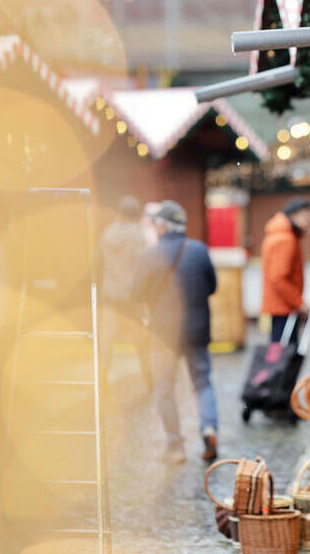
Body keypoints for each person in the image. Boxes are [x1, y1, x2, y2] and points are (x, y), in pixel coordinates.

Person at [133, 200, 221, 463]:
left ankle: (175, 447)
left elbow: (135, 293)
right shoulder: (198, 250)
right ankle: (209, 428)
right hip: (197, 330)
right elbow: (212, 286)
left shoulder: (149, 256)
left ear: (162, 225)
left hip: (163, 334)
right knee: (202, 383)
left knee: (164, 389)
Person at [96, 195, 148, 383]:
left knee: (107, 338)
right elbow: (143, 266)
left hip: (110, 294)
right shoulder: (136, 235)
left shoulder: (108, 232)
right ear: (136, 214)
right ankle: (149, 377)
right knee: (140, 337)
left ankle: (102, 374)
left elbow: (98, 263)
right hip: (131, 296)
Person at [261, 198, 310, 342]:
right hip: (284, 308)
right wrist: (299, 303)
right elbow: (278, 278)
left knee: (279, 354)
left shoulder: (280, 235)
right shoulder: (285, 239)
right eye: (306, 214)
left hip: (282, 307)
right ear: (293, 215)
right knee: (283, 357)